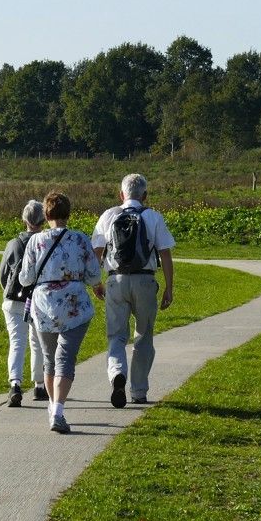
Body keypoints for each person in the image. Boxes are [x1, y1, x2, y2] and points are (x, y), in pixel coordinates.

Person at [19, 191, 104, 433]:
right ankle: (58, 412)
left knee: (49, 359)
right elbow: (94, 275)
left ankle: (52, 409)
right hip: (74, 307)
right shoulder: (80, 239)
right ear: (68, 213)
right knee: (65, 359)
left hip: (43, 307)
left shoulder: (35, 241)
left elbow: (25, 279)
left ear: (46, 215)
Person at [92, 173, 175, 408]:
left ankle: (117, 373)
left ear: (121, 195)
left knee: (116, 335)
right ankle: (138, 391)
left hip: (115, 281)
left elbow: (96, 253)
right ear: (145, 195)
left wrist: (96, 282)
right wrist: (169, 287)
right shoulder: (153, 217)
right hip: (145, 281)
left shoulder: (108, 216)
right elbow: (165, 254)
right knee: (144, 336)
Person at [0, 199, 48, 407]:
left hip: (15, 299)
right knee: (37, 343)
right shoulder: (46, 242)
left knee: (17, 342)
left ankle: (15, 384)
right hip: (38, 299)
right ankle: (39, 385)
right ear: (43, 220)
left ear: (24, 220)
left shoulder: (14, 244)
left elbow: (3, 275)